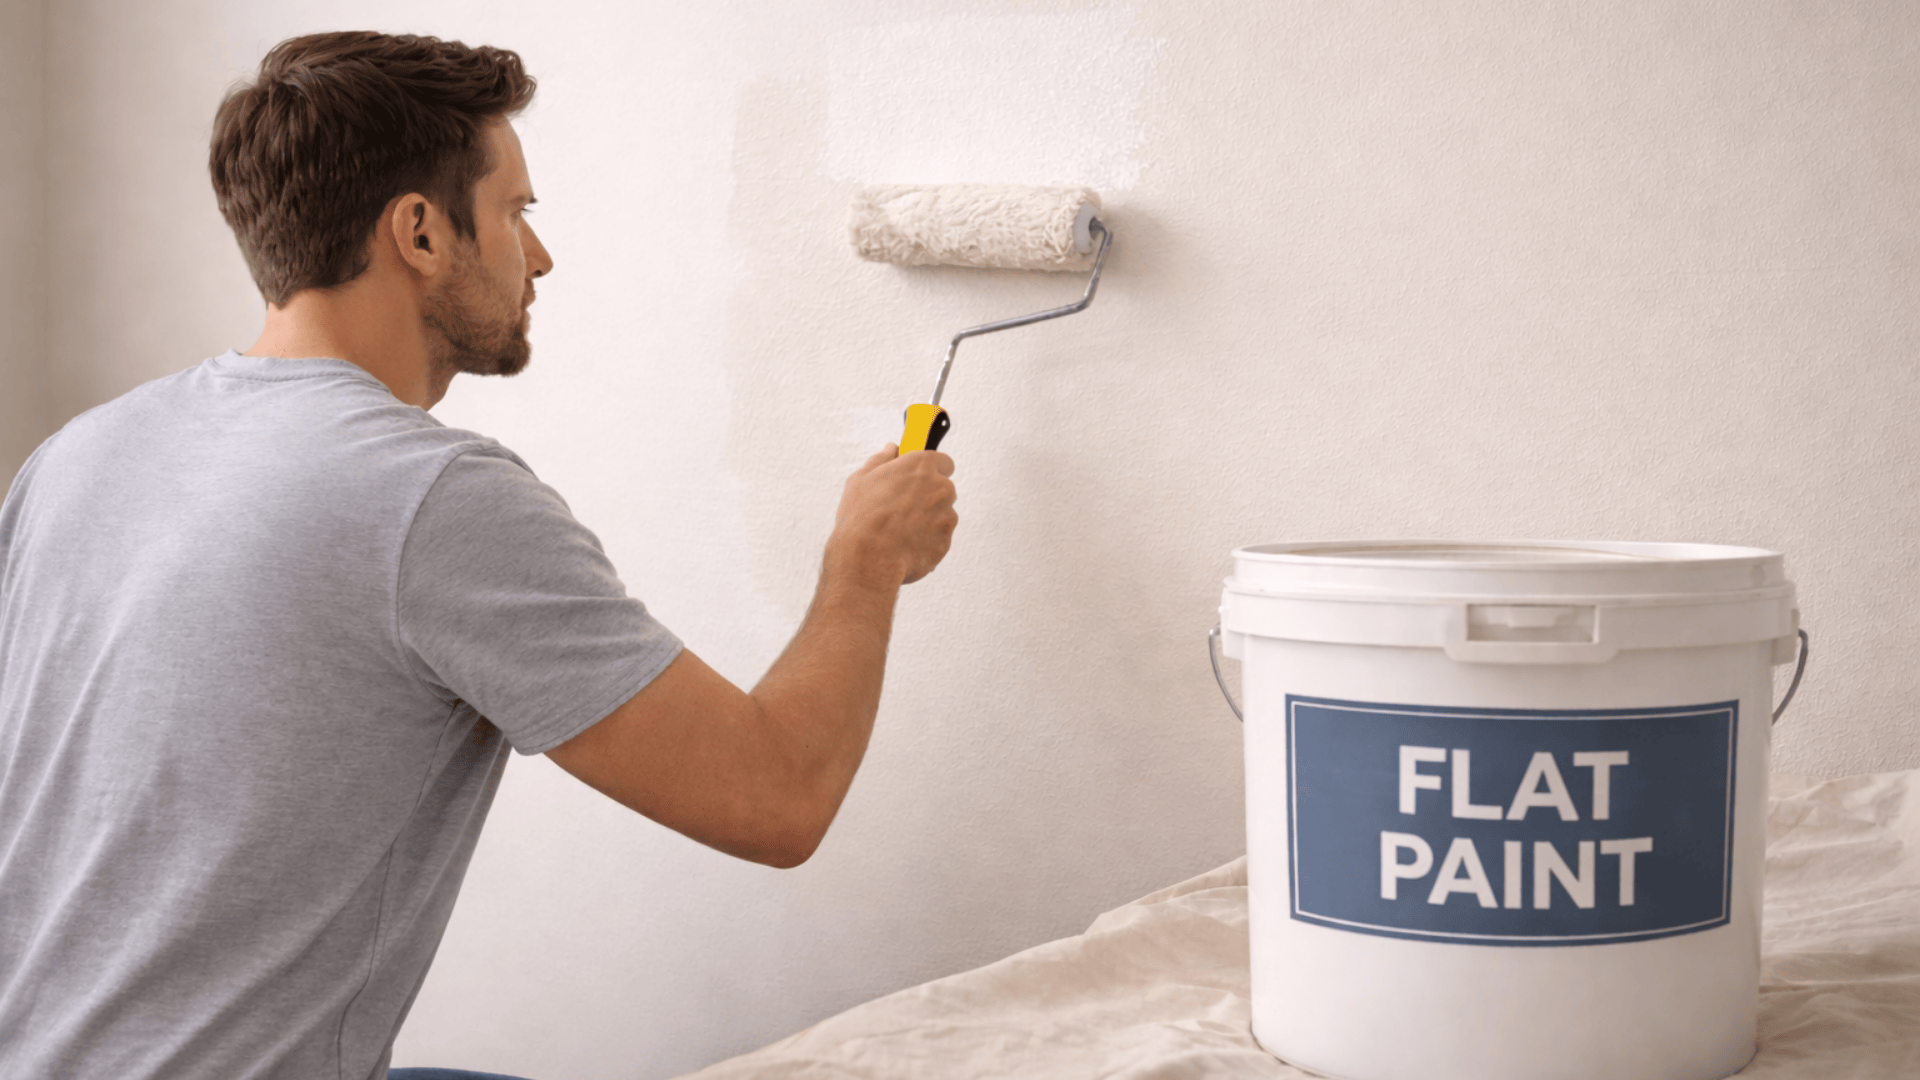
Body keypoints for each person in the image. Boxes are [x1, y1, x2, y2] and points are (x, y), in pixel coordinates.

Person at [0, 30, 957, 1080]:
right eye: (518, 213)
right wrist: (864, 560)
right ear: (419, 231)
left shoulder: (78, 455)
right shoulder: (430, 498)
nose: (537, 256)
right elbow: (777, 800)